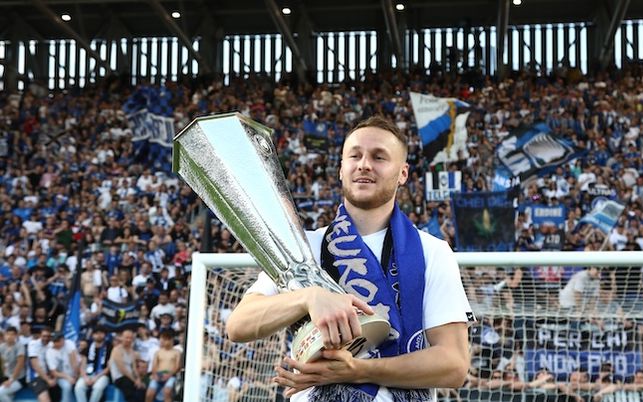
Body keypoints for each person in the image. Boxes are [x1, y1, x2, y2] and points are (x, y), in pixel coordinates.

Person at [226, 115, 473, 401]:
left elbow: (454, 365)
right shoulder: (303, 247)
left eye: (379, 157)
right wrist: (310, 297)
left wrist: (356, 370)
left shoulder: (432, 251)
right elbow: (238, 325)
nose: (364, 164)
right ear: (342, 169)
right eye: (354, 155)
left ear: (403, 173)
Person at [74, 328, 112, 402]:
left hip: (102, 375)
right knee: (78, 387)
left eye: (101, 333)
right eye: (96, 333)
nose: (99, 335)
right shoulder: (88, 347)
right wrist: (85, 377)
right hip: (88, 374)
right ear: (93, 335)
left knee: (98, 387)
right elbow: (83, 365)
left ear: (105, 335)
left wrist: (96, 377)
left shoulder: (109, 347)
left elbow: (109, 367)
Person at [109, 329, 146, 402]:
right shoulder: (116, 350)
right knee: (131, 391)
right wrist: (134, 380)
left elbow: (134, 367)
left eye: (131, 338)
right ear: (122, 338)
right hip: (120, 377)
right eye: (126, 337)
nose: (129, 340)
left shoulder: (131, 351)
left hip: (130, 377)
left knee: (142, 389)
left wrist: (138, 379)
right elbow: (122, 369)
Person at [146, 329, 181, 402]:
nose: (164, 342)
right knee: (149, 393)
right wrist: (155, 375)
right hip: (158, 375)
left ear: (171, 340)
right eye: (163, 339)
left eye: (166, 339)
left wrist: (169, 375)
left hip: (171, 375)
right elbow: (154, 366)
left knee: (167, 392)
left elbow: (178, 366)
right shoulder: (158, 352)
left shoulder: (177, 352)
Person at [46, 332, 79, 402]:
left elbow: (74, 359)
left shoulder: (69, 343)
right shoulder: (49, 350)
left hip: (74, 373)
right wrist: (68, 377)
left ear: (63, 340)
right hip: (59, 376)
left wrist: (75, 375)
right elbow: (54, 372)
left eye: (58, 341)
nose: (56, 343)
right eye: (54, 341)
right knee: (67, 386)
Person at [26, 327, 56, 402]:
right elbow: (35, 366)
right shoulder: (33, 344)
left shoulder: (52, 345)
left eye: (48, 336)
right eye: (44, 336)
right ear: (40, 336)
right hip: (36, 377)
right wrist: (48, 380)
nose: (46, 338)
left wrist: (54, 377)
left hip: (50, 375)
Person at [0, 327, 26, 402]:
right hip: (6, 377)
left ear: (16, 336)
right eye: (8, 334)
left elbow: (20, 364)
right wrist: (3, 379)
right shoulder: (2, 347)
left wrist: (11, 380)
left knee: (0, 393)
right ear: (5, 335)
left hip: (18, 378)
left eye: (12, 334)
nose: (9, 336)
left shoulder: (19, 346)